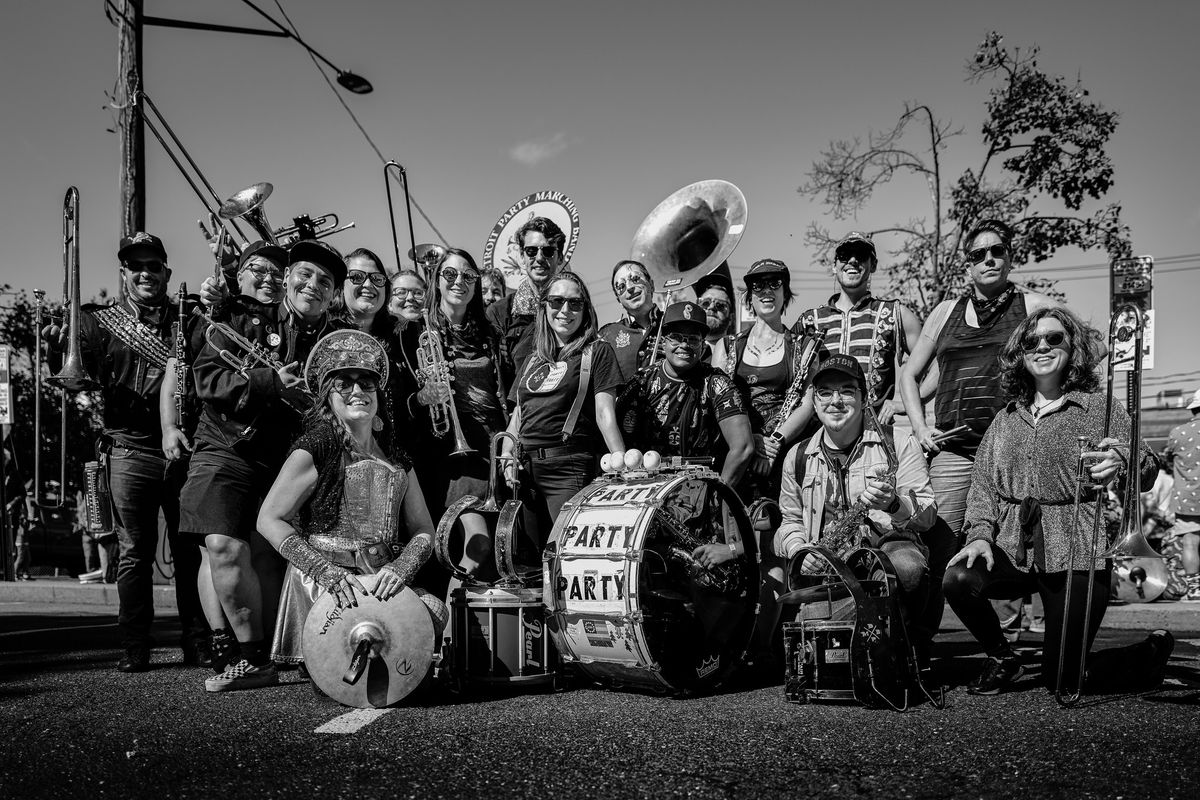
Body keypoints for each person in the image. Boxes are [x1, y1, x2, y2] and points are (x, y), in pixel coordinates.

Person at [943, 306, 1173, 695]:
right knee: (959, 578)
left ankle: (1148, 654)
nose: (1042, 347)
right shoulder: (1006, 419)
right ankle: (1002, 657)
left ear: (1073, 348)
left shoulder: (1100, 409)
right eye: (1032, 341)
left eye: (1054, 338)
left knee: (1063, 680)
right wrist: (979, 535)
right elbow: (983, 486)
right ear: (1021, 353)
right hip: (1013, 547)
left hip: (1076, 550)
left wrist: (1124, 459)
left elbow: (1148, 471)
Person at [182, 239, 345, 692]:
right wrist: (272, 383)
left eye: (326, 282)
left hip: (285, 458)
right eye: (305, 275)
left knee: (268, 559)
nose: (313, 285)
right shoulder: (242, 314)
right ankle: (245, 655)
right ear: (289, 277)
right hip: (226, 444)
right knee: (220, 546)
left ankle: (267, 653)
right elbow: (207, 380)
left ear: (334, 295)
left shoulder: (333, 337)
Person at [43, 232, 208, 671]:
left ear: (166, 272)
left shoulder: (188, 319)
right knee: (134, 552)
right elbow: (75, 378)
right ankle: (135, 644)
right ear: (123, 274)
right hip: (128, 449)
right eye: (136, 266)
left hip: (184, 449)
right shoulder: (98, 322)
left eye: (153, 265)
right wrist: (54, 347)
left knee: (189, 548)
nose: (145, 273)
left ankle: (198, 640)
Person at [898, 219, 1057, 644]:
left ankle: (1012, 647)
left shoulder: (1033, 306)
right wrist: (920, 427)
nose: (988, 259)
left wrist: (1049, 409)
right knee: (937, 550)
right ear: (967, 265)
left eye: (997, 251)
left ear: (1009, 257)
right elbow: (909, 375)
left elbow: (1086, 347)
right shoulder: (946, 312)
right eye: (977, 254)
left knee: (1012, 548)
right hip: (954, 451)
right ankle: (918, 647)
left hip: (1012, 450)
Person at [258, 330, 447, 670]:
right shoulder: (317, 446)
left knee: (434, 610)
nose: (357, 391)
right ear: (327, 398)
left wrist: (400, 568)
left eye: (367, 383)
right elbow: (269, 519)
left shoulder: (397, 458)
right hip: (330, 586)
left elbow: (423, 530)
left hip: (379, 580)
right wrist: (325, 572)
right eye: (343, 383)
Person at [775, 354, 934, 640]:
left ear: (864, 399)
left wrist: (894, 504)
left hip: (885, 551)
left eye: (847, 391)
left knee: (908, 569)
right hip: (829, 561)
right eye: (825, 392)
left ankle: (909, 649)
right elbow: (790, 520)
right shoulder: (797, 457)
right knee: (807, 641)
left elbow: (928, 516)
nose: (835, 400)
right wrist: (801, 552)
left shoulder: (898, 443)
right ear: (814, 401)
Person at [500, 271, 625, 542]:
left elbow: (605, 414)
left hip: (567, 468)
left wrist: (623, 466)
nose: (565, 310)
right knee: (531, 564)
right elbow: (519, 413)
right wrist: (507, 453)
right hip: (525, 471)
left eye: (575, 303)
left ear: (585, 309)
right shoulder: (533, 358)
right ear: (544, 306)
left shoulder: (597, 351)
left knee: (563, 557)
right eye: (556, 301)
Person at [410, 249, 508, 589]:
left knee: (490, 547)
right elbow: (398, 397)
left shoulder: (488, 334)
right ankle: (448, 613)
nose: (459, 282)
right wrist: (424, 396)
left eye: (468, 276)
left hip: (490, 449)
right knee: (471, 542)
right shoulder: (416, 332)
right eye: (450, 274)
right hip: (447, 454)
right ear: (437, 281)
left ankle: (465, 625)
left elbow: (504, 391)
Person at [619, 301, 755, 489]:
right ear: (663, 340)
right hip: (645, 490)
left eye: (693, 339)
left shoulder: (718, 383)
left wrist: (717, 496)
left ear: (702, 344)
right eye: (676, 338)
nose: (684, 345)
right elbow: (619, 443)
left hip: (702, 490)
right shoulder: (641, 382)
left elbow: (743, 447)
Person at [794, 232, 922, 425]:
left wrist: (903, 403)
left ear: (874, 264)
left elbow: (939, 365)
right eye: (845, 256)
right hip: (820, 437)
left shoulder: (895, 314)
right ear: (834, 265)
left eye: (861, 255)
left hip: (875, 437)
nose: (852, 261)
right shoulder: (810, 321)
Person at [724, 259, 822, 495]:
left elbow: (807, 405)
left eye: (775, 283)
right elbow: (719, 405)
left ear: (785, 292)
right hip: (739, 451)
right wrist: (752, 439)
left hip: (786, 453)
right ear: (749, 295)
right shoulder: (727, 346)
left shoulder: (805, 347)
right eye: (758, 285)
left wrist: (775, 442)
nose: (766, 291)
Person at [486, 217, 567, 383]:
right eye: (531, 251)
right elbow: (495, 376)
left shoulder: (575, 307)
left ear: (560, 258)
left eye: (548, 251)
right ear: (522, 257)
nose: (539, 258)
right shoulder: (499, 312)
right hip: (519, 407)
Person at [598, 260, 662, 382]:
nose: (630, 288)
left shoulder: (675, 322)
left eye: (635, 279)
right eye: (621, 286)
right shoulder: (605, 336)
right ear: (619, 300)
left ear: (652, 285)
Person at [1165, 387, 1200, 600]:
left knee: (1190, 542)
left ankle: (1195, 589)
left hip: (1188, 498)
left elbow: (1168, 459)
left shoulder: (1178, 433)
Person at [695, 272, 736, 372]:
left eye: (721, 305)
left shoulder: (739, 350)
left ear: (731, 318)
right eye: (705, 303)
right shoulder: (681, 347)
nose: (711, 307)